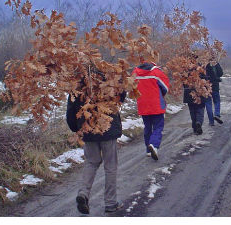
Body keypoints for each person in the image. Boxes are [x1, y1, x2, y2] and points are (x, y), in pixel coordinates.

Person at [66, 79, 126, 214]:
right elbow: (121, 96)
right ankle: (111, 203)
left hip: (88, 129)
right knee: (110, 165)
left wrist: (76, 128)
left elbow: (70, 111)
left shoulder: (77, 83)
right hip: (108, 129)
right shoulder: (109, 76)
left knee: (91, 163)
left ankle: (83, 194)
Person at [133, 62, 170, 160]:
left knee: (147, 127)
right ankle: (154, 145)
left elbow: (132, 88)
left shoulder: (135, 73)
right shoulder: (156, 72)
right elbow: (165, 88)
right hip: (156, 104)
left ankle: (148, 150)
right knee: (158, 127)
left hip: (142, 104)